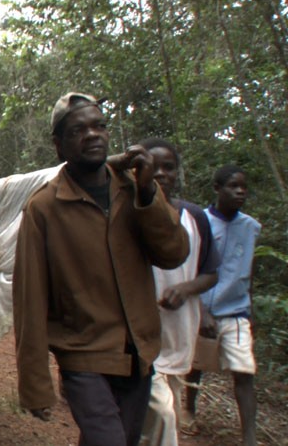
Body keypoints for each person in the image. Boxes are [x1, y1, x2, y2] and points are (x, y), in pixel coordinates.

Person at [13, 92, 190, 446]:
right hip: (83, 355)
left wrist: (148, 195)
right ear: (59, 145)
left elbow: (173, 253)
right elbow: (28, 299)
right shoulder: (45, 208)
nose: (93, 135)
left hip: (138, 354)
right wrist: (35, 385)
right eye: (79, 130)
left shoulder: (133, 189)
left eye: (99, 126)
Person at [136, 139, 220, 446]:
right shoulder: (129, 216)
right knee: (162, 412)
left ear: (177, 173)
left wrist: (185, 289)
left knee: (158, 411)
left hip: (178, 331)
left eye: (168, 167)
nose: (160, 174)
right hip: (141, 335)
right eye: (152, 167)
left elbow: (210, 273)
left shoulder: (195, 218)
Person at [182, 165, 261, 446]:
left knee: (244, 371)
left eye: (243, 187)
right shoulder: (198, 222)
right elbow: (189, 268)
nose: (240, 192)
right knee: (196, 364)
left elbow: (246, 271)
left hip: (235, 311)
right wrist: (201, 311)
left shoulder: (251, 227)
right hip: (200, 308)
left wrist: (249, 312)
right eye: (233, 186)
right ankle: (188, 408)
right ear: (217, 189)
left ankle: (249, 437)